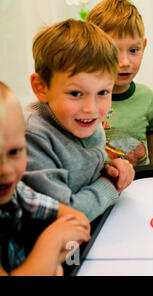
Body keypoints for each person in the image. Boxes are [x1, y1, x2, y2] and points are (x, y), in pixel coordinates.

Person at [22, 19, 135, 222]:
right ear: (41, 87)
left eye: (103, 92)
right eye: (75, 93)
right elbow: (64, 216)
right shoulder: (33, 136)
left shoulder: (84, 120)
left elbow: (86, 172)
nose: (91, 109)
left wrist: (111, 168)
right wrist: (109, 184)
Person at [0, 82, 90, 275]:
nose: (6, 170)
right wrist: (52, 241)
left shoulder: (17, 191)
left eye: (15, 152)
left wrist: (48, 264)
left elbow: (77, 219)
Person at [86, 0, 153, 166]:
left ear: (143, 47)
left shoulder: (147, 97)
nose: (124, 62)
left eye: (133, 50)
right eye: (114, 51)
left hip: (142, 188)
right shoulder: (85, 103)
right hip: (101, 189)